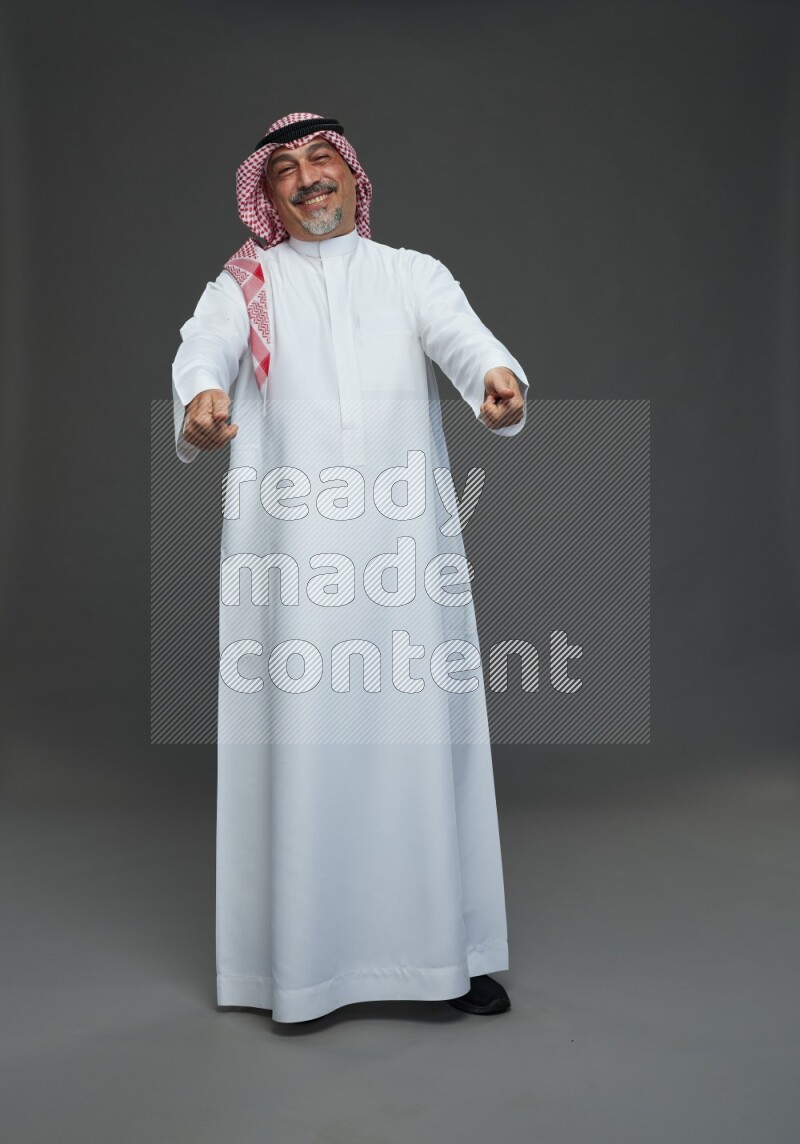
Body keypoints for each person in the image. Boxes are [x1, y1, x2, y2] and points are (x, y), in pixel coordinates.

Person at [171, 112, 529, 1023]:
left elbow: (462, 336)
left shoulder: (411, 274)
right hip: (292, 572)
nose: (307, 178)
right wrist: (204, 396)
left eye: (321, 159)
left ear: (352, 177)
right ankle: (300, 967)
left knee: (421, 745)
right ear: (269, 194)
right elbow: (201, 348)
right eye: (285, 169)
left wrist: (494, 378)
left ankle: (446, 954)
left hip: (402, 563)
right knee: (303, 749)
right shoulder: (243, 284)